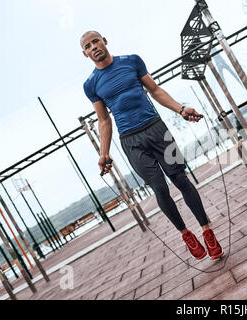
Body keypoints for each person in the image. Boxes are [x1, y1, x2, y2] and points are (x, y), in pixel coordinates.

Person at [80, 31, 223, 260]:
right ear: (85, 54)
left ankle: (207, 231)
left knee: (180, 178)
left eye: (96, 41)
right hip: (130, 141)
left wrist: (180, 109)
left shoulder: (132, 61)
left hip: (157, 129)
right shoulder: (91, 85)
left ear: (105, 41)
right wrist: (103, 153)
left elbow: (155, 90)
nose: (93, 46)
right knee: (160, 188)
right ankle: (186, 234)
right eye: (88, 46)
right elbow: (104, 119)